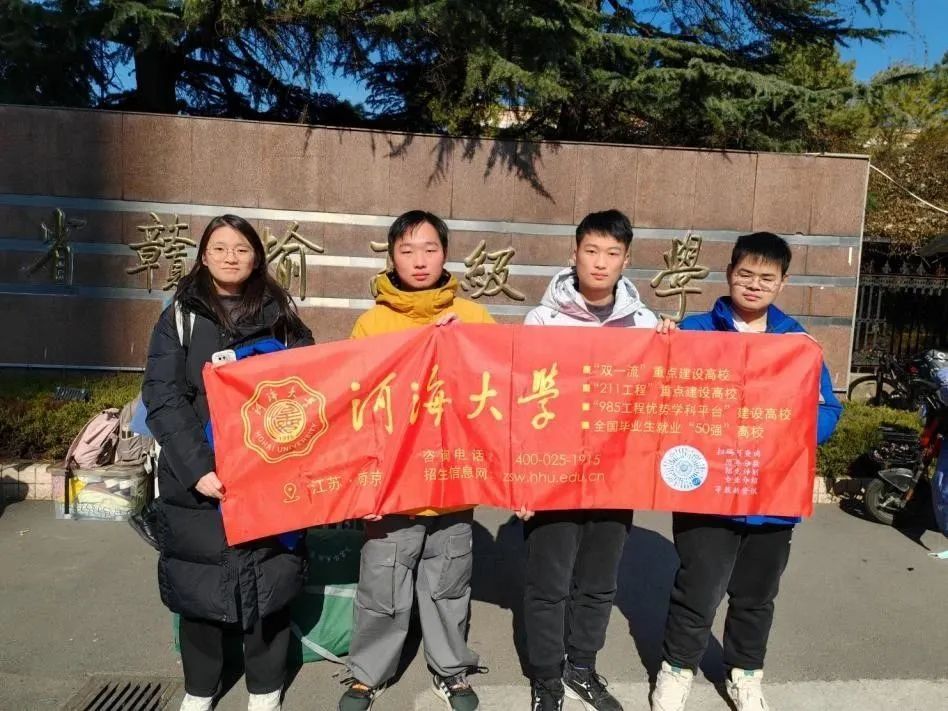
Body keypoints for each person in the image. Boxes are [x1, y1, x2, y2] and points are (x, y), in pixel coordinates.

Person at [651, 232, 842, 711]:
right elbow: (657, 391)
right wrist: (662, 344)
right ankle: (676, 670)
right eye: (746, 274)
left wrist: (787, 435)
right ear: (729, 274)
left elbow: (827, 410)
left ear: (782, 283)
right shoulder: (695, 331)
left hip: (771, 493)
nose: (754, 285)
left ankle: (745, 673)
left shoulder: (798, 344)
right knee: (698, 589)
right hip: (705, 492)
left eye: (766, 278)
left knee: (756, 595)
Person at [142, 214, 314, 711]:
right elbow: (163, 396)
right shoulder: (179, 316)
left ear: (257, 256)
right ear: (203, 256)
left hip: (266, 471)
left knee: (269, 579)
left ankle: (265, 685)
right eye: (219, 248)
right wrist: (198, 468)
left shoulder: (282, 315)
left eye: (241, 248)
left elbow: (308, 382)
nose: (230, 257)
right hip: (197, 475)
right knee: (199, 584)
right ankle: (201, 687)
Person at [339, 210, 493, 711]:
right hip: (392, 486)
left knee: (449, 584)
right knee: (382, 585)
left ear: (445, 254)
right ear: (391, 257)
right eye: (407, 250)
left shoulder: (473, 317)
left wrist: (467, 343)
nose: (420, 260)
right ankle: (367, 674)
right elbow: (354, 402)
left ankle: (451, 670)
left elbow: (503, 381)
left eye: (430, 249)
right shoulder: (372, 322)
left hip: (453, 483)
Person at [521, 209, 673, 711]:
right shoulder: (541, 320)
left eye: (612, 253)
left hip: (615, 476)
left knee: (598, 584)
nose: (600, 262)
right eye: (591, 251)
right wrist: (523, 479)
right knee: (548, 585)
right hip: (553, 475)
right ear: (574, 254)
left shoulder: (644, 324)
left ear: (626, 260)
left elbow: (660, 396)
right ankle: (547, 677)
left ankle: (581, 667)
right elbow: (522, 403)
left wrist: (670, 345)